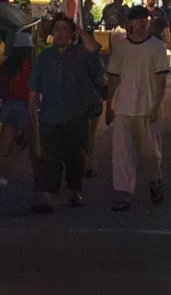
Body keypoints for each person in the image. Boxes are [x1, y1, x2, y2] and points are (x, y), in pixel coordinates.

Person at [28, 15, 105, 213]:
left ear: (71, 34)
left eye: (65, 29)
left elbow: (94, 49)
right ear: (52, 34)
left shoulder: (81, 53)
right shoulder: (44, 57)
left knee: (75, 155)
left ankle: (75, 190)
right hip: (49, 114)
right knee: (49, 157)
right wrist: (32, 104)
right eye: (57, 29)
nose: (61, 33)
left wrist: (82, 32)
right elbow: (35, 85)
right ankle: (48, 197)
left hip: (76, 113)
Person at [105, 5, 170, 212]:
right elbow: (113, 77)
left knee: (151, 152)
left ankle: (155, 179)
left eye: (145, 21)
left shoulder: (157, 47)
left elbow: (161, 79)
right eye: (138, 21)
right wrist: (109, 106)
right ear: (129, 24)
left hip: (148, 107)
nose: (142, 25)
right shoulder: (122, 47)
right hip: (124, 107)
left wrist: (157, 104)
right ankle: (124, 193)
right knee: (122, 153)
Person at [0, 30, 35, 186]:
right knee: (31, 144)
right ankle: (38, 177)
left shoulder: (6, 64)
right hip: (25, 105)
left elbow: (0, 84)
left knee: (5, 143)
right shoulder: (29, 65)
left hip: (9, 104)